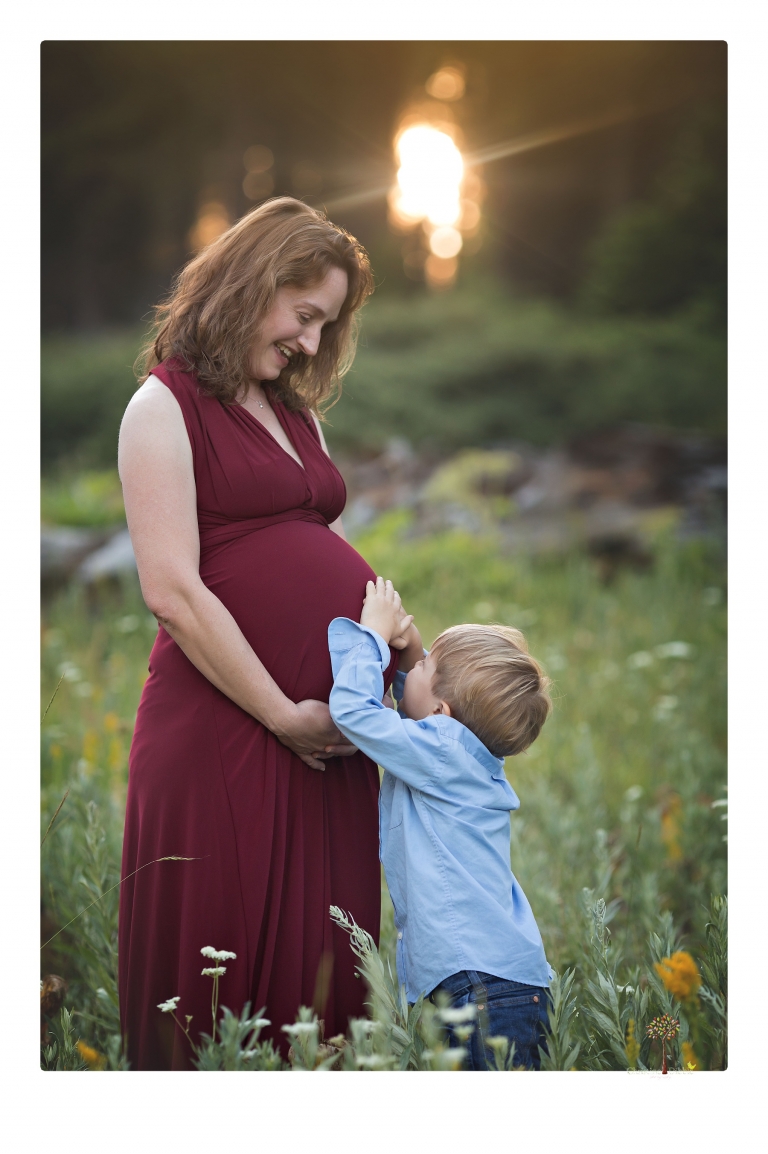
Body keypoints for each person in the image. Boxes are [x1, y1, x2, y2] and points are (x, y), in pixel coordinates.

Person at [117, 197, 398, 1070]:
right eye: (304, 315)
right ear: (250, 283)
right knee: (214, 979)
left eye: (328, 325)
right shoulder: (161, 408)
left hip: (326, 742)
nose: (313, 345)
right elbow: (172, 590)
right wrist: (282, 712)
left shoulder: (296, 414)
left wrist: (394, 634)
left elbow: (310, 548)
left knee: (323, 981)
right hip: (227, 732)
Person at [327, 577, 554, 1070]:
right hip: (507, 984)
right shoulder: (465, 753)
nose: (416, 664)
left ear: (441, 715)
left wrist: (372, 635)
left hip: (483, 988)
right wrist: (411, 655)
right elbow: (424, 702)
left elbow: (353, 711)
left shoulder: (442, 751)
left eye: (425, 665)